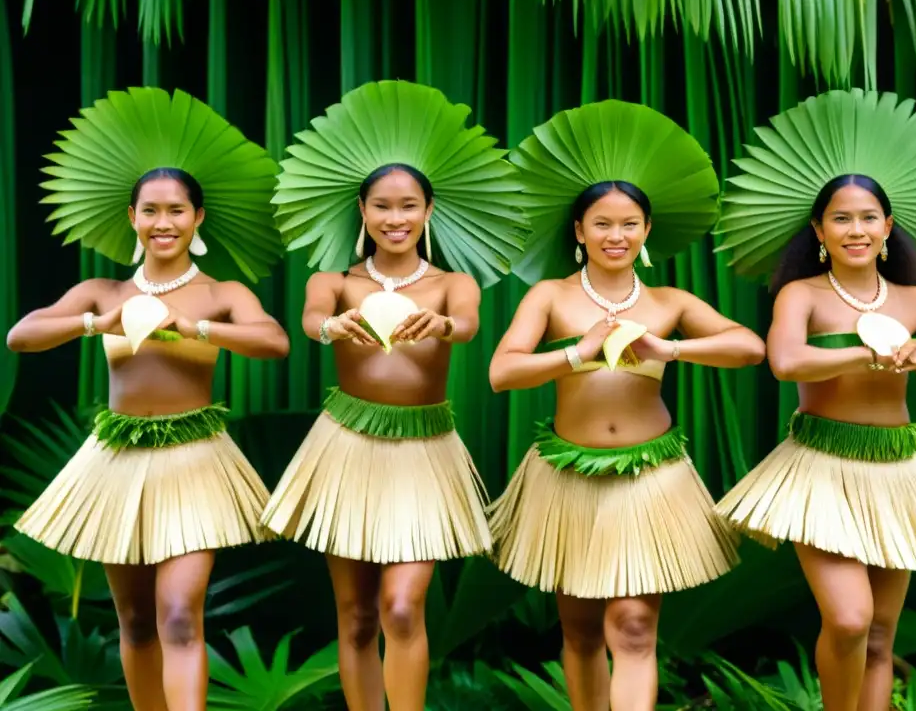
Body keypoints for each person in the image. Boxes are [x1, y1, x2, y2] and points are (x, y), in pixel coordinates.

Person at [713, 89, 916, 711]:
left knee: (878, 633)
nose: (856, 229)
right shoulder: (802, 295)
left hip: (896, 471)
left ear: (888, 227)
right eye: (841, 218)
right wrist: (864, 354)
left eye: (869, 216)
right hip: (820, 466)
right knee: (847, 619)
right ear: (819, 230)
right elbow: (785, 360)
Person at [6, 87, 290, 711]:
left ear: (198, 219)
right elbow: (20, 336)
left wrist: (200, 329)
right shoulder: (102, 290)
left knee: (180, 614)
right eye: (152, 211)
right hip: (118, 462)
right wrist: (92, 324)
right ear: (132, 218)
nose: (164, 223)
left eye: (177, 211)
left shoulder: (221, 293)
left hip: (195, 459)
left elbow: (275, 342)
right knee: (134, 621)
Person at [260, 80, 529, 711]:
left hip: (424, 447)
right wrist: (330, 326)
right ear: (362, 210)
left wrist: (440, 326)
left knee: (402, 607)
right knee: (354, 615)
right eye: (382, 205)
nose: (396, 218)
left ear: (429, 212)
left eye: (408, 205)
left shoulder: (452, 284)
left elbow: (465, 325)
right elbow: (310, 319)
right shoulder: (335, 281)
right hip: (345, 444)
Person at [487, 100, 765, 711]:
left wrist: (669, 346)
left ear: (646, 231)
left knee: (635, 627)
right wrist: (577, 354)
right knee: (582, 632)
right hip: (569, 476)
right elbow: (501, 373)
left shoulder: (668, 300)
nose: (617, 235)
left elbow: (749, 347)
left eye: (630, 223)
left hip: (650, 476)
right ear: (579, 230)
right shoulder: (550, 297)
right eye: (603, 223)